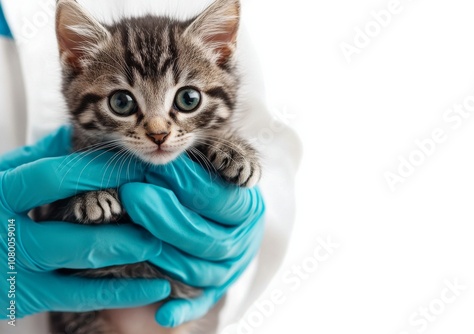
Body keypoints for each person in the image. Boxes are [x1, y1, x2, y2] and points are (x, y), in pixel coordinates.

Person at [0, 1, 301, 333]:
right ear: (75, 61)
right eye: (123, 102)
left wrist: (247, 228)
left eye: (187, 99)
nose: (159, 130)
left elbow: (264, 137)